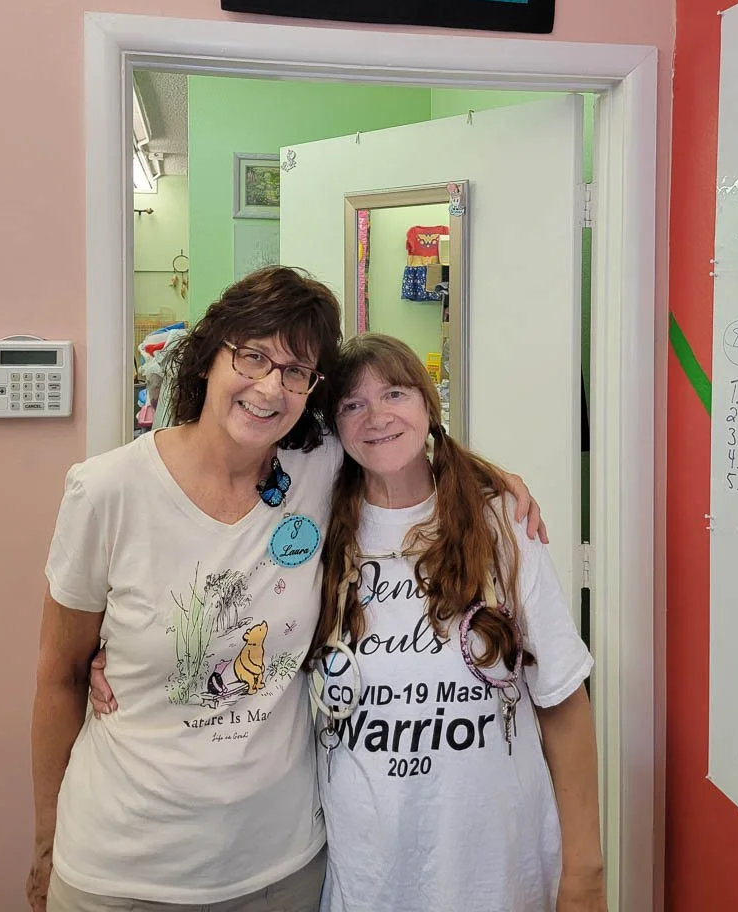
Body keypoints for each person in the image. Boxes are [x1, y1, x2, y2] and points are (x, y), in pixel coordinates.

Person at [29, 268, 542, 912]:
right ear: (209, 357)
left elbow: (399, 442)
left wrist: (493, 480)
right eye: (253, 357)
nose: (271, 387)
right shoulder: (106, 491)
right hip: (122, 869)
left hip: (281, 867)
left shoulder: (317, 467)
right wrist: (45, 844)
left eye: (296, 371)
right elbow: (59, 675)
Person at [310, 334, 606, 912]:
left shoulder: (501, 524)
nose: (377, 417)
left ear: (428, 403)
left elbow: (564, 701)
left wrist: (586, 870)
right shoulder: (319, 529)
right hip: (370, 877)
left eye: (395, 393)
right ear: (335, 428)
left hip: (498, 872)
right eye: (353, 404)